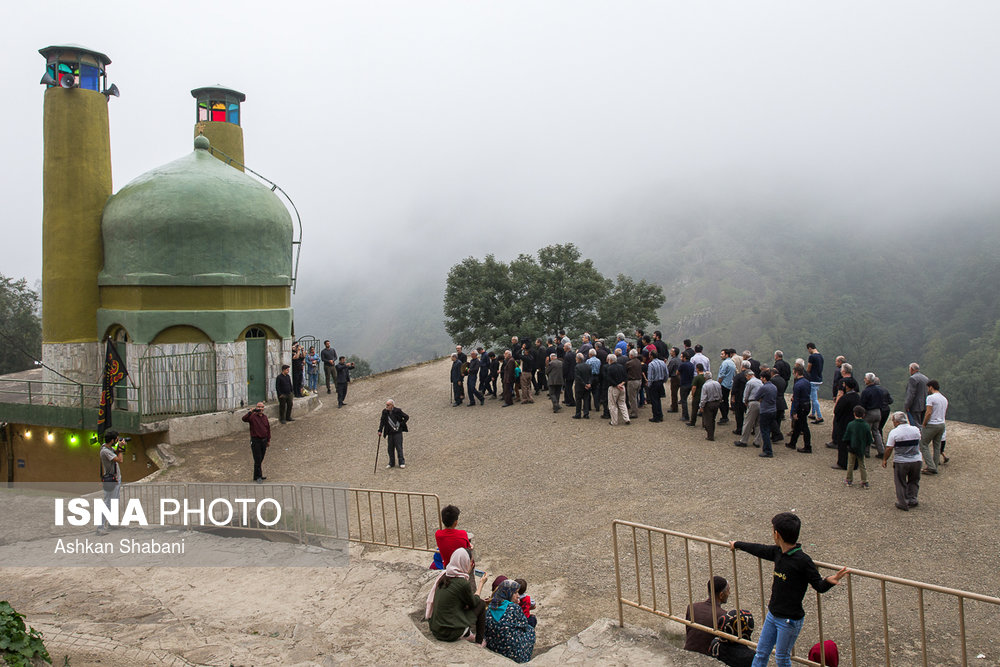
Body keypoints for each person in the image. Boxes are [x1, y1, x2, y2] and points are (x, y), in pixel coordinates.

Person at [731, 513, 848, 667]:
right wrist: (737, 544)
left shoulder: (803, 560)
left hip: (789, 620)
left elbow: (818, 585)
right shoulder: (778, 552)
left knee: (782, 658)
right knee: (761, 653)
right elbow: (759, 549)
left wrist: (829, 581)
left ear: (777, 534)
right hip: (773, 615)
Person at [427, 548, 489, 645]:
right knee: (481, 603)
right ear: (464, 562)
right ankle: (479, 642)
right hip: (450, 633)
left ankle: (468, 633)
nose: (472, 564)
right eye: (471, 562)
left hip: (436, 629)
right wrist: (481, 584)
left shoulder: (444, 575)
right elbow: (474, 602)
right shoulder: (462, 582)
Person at [484, 578, 536, 663]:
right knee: (530, 630)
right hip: (511, 651)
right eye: (515, 593)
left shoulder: (490, 606)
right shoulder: (513, 608)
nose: (518, 596)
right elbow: (524, 624)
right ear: (507, 593)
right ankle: (524, 658)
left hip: (493, 645)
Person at [881, 411, 922, 510]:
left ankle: (903, 502)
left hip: (901, 460)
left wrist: (885, 459)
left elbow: (889, 448)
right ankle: (913, 499)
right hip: (916, 459)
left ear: (896, 421)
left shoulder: (894, 432)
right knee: (914, 480)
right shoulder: (915, 429)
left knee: (900, 481)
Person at [684, 576, 730, 655]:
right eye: (728, 591)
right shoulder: (724, 615)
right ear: (721, 595)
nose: (729, 593)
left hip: (688, 652)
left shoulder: (692, 607)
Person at [97, 430, 124, 535]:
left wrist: (120, 446)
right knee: (107, 503)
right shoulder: (105, 451)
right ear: (112, 440)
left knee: (113, 503)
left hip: (115, 479)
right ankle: (100, 527)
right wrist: (121, 448)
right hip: (111, 480)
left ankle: (111, 523)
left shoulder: (108, 448)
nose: (117, 440)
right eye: (116, 439)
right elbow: (120, 459)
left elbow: (115, 452)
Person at [919, 380, 948, 474]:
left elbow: (928, 412)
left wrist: (924, 424)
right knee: (937, 446)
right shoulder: (944, 399)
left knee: (923, 444)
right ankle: (934, 466)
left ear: (931, 387)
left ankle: (931, 466)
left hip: (932, 424)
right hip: (942, 424)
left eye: (928, 388)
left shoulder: (930, 398)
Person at [832, 378, 860, 470]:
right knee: (853, 444)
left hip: (844, 423)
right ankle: (855, 464)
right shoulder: (857, 397)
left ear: (847, 386)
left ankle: (842, 463)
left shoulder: (845, 398)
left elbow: (837, 411)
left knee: (842, 444)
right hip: (855, 423)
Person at [843, 405, 872, 488]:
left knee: (850, 464)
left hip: (852, 447)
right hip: (861, 448)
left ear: (854, 414)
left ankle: (849, 480)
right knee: (862, 464)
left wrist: (847, 444)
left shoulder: (851, 424)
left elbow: (846, 437)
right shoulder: (866, 425)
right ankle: (864, 481)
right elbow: (869, 439)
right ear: (864, 415)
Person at [241, 402, 270, 484]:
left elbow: (268, 429)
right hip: (255, 441)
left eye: (262, 407)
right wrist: (250, 412)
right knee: (257, 459)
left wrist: (268, 440)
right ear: (256, 407)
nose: (260, 409)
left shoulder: (265, 417)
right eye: (258, 407)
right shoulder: (252, 417)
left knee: (261, 458)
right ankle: (259, 476)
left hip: (264, 440)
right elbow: (244, 419)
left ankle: (255, 475)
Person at [859, 373, 886, 458]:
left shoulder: (866, 391)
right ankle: (881, 451)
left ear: (868, 380)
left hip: (869, 413)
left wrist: (861, 414)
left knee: (867, 432)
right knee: (876, 432)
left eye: (865, 379)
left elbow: (862, 404)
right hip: (878, 412)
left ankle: (866, 452)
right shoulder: (880, 390)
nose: (864, 380)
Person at [788, 366, 813, 453]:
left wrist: (794, 412)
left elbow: (796, 400)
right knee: (798, 425)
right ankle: (792, 442)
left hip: (800, 407)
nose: (793, 374)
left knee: (804, 426)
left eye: (794, 372)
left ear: (797, 373)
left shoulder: (797, 385)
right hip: (807, 405)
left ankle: (808, 446)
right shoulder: (807, 382)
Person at [378, 399, 409, 468]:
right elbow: (382, 421)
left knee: (399, 448)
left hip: (397, 432)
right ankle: (391, 463)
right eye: (386, 405)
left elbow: (406, 417)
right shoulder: (385, 412)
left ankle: (401, 462)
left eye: (388, 405)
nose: (387, 406)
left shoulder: (397, 411)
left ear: (392, 405)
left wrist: (401, 424)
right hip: (389, 433)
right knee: (390, 448)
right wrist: (380, 430)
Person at [755, 370, 778, 458]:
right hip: (773, 410)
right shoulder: (774, 387)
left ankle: (768, 451)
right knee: (768, 430)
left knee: (765, 431)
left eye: (761, 377)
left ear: (764, 378)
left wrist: (761, 399)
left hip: (765, 411)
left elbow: (756, 397)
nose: (761, 379)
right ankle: (767, 449)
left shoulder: (763, 388)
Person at [606, 354, 630, 426]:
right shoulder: (621, 367)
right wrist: (621, 384)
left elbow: (609, 379)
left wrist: (616, 385)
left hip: (614, 388)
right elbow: (626, 377)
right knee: (622, 403)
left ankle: (614, 421)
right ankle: (626, 418)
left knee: (612, 405)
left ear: (610, 360)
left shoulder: (609, 368)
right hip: (622, 387)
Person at [904, 362, 928, 427]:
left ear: (911, 369)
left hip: (915, 406)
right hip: (924, 405)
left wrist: (907, 405)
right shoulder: (925, 378)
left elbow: (911, 394)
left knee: (915, 425)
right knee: (922, 424)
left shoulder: (913, 379)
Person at [646, 351, 667, 423]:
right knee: (658, 399)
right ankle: (660, 415)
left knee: (654, 400)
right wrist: (664, 380)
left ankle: (656, 417)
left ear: (651, 356)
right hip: (660, 382)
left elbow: (650, 376)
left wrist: (649, 385)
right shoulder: (662, 362)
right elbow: (666, 373)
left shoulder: (651, 364)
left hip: (654, 383)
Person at [805, 343, 824, 424]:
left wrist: (805, 374)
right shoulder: (820, 356)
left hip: (812, 379)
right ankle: (812, 414)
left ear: (810, 348)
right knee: (813, 397)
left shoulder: (812, 357)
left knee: (814, 399)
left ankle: (819, 416)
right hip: (819, 378)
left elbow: (809, 368)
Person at [625, 349, 643, 418]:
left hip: (632, 381)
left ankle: (634, 412)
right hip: (639, 380)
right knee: (636, 396)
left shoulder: (629, 363)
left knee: (632, 398)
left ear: (631, 355)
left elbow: (625, 371)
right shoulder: (639, 362)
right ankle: (636, 409)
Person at [678, 351, 695, 422]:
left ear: (684, 357)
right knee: (685, 399)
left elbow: (677, 372)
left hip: (684, 384)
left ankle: (685, 416)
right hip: (690, 383)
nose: (681, 358)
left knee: (683, 400)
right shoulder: (691, 364)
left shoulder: (682, 365)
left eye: (681, 357)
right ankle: (686, 415)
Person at [573, 352, 591, 419]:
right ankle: (586, 413)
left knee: (578, 400)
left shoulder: (577, 367)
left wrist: (584, 384)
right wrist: (589, 383)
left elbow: (578, 377)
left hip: (580, 386)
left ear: (578, 359)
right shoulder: (588, 366)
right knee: (586, 399)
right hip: (587, 385)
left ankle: (578, 414)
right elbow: (590, 376)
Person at [667, 347, 682, 413]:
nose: (670, 352)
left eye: (672, 351)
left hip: (674, 378)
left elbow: (669, 370)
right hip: (680, 377)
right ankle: (674, 405)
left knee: (674, 393)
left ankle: (674, 407)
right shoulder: (679, 360)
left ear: (674, 353)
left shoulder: (673, 361)